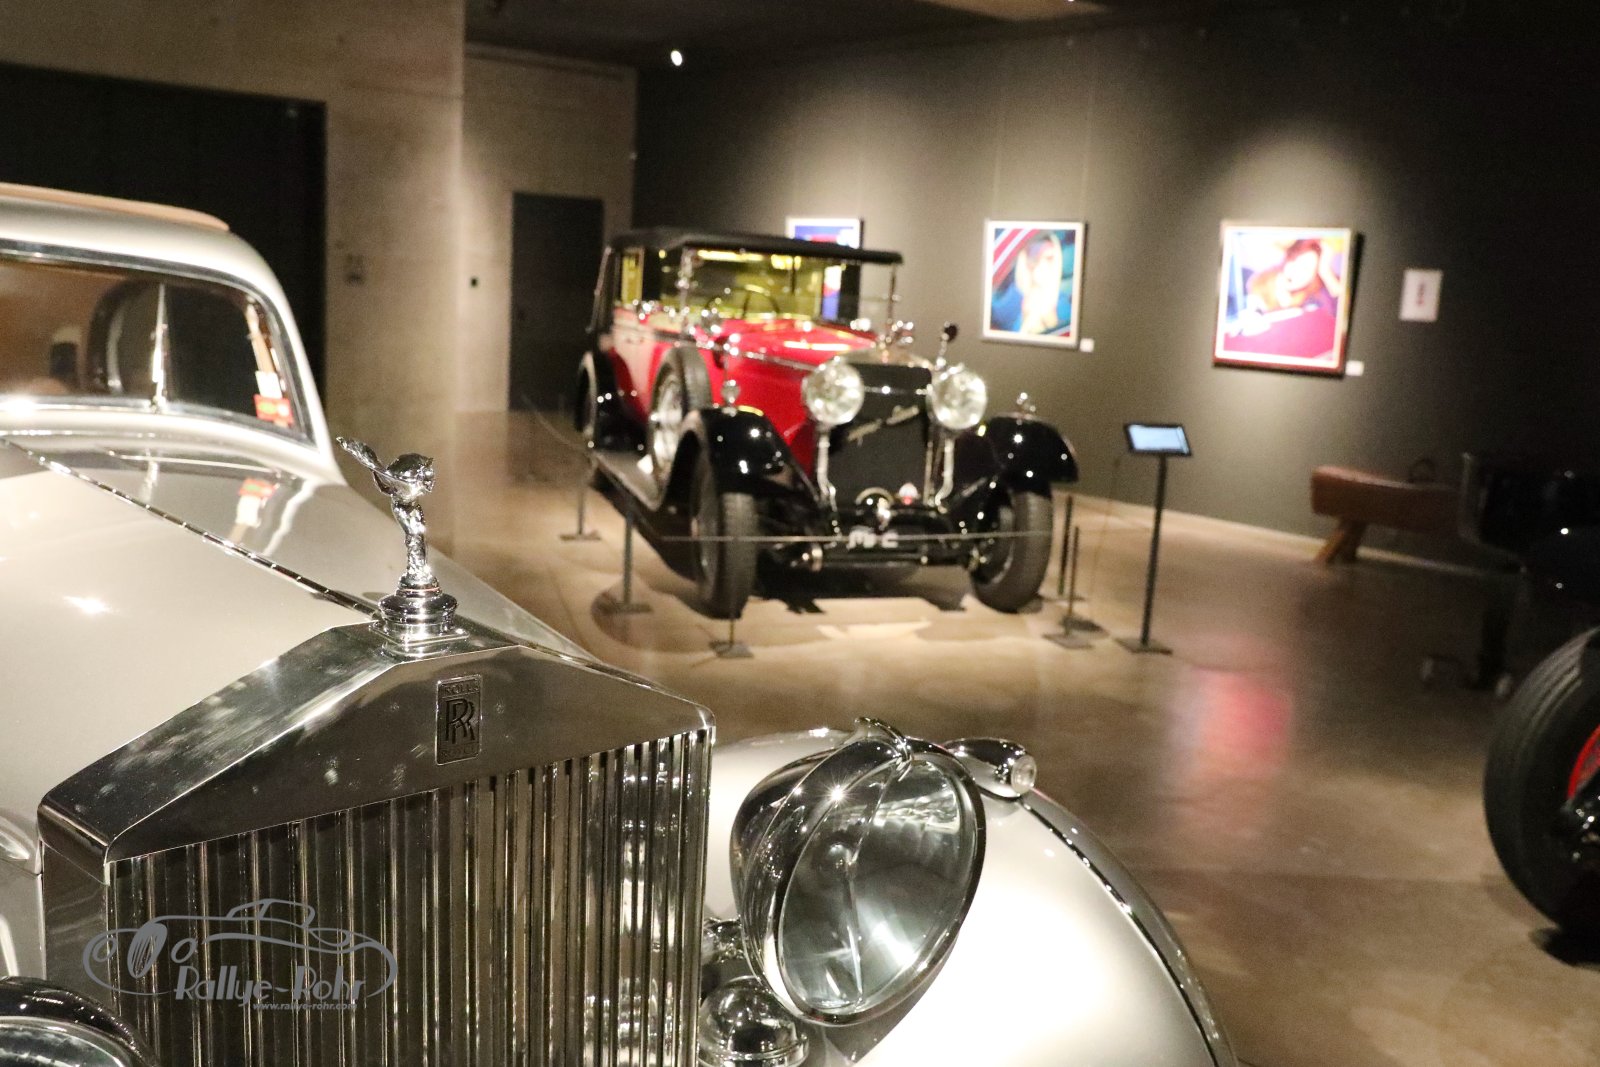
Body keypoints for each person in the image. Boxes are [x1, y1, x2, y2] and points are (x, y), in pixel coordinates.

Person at [989, 230, 1074, 336]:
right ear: (1025, 260)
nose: (1042, 265)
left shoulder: (1066, 307)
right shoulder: (1009, 299)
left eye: (1049, 258)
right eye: (1035, 258)